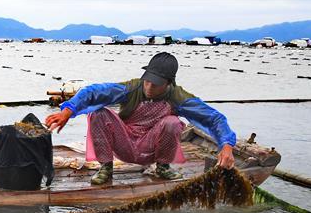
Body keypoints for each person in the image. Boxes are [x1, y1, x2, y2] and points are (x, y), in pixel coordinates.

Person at [45, 52, 236, 185]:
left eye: (156, 84)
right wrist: (67, 112)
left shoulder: (178, 97)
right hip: (125, 142)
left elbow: (214, 119)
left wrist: (226, 146)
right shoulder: (132, 88)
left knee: (172, 122)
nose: (149, 87)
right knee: (98, 113)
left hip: (152, 147)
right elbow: (92, 92)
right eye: (148, 80)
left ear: (169, 83)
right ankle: (105, 168)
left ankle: (162, 167)